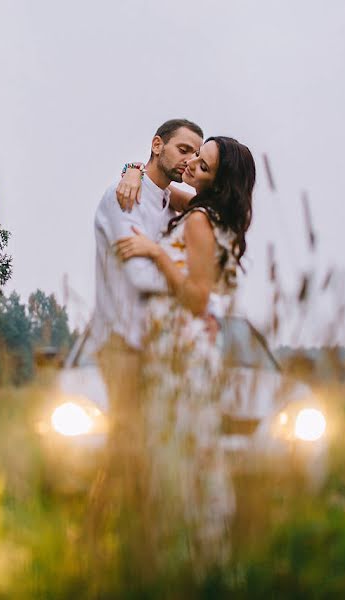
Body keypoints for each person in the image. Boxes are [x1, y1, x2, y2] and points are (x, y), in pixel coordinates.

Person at [114, 135, 256, 572]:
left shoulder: (198, 220)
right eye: (196, 154)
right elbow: (155, 183)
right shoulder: (209, 214)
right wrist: (134, 169)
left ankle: (187, 564)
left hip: (183, 354)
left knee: (181, 459)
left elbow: (196, 298)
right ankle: (194, 563)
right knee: (188, 456)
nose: (192, 164)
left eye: (205, 166)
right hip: (183, 350)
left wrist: (157, 252)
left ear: (218, 183)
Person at [87, 118, 204, 570]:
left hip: (154, 349)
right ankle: (97, 546)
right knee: (126, 447)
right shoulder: (125, 198)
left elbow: (212, 200)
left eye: (196, 153)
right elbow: (138, 277)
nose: (190, 159)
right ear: (158, 145)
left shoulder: (166, 200)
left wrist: (133, 165)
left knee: (145, 451)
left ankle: (136, 547)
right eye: (183, 149)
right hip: (121, 344)